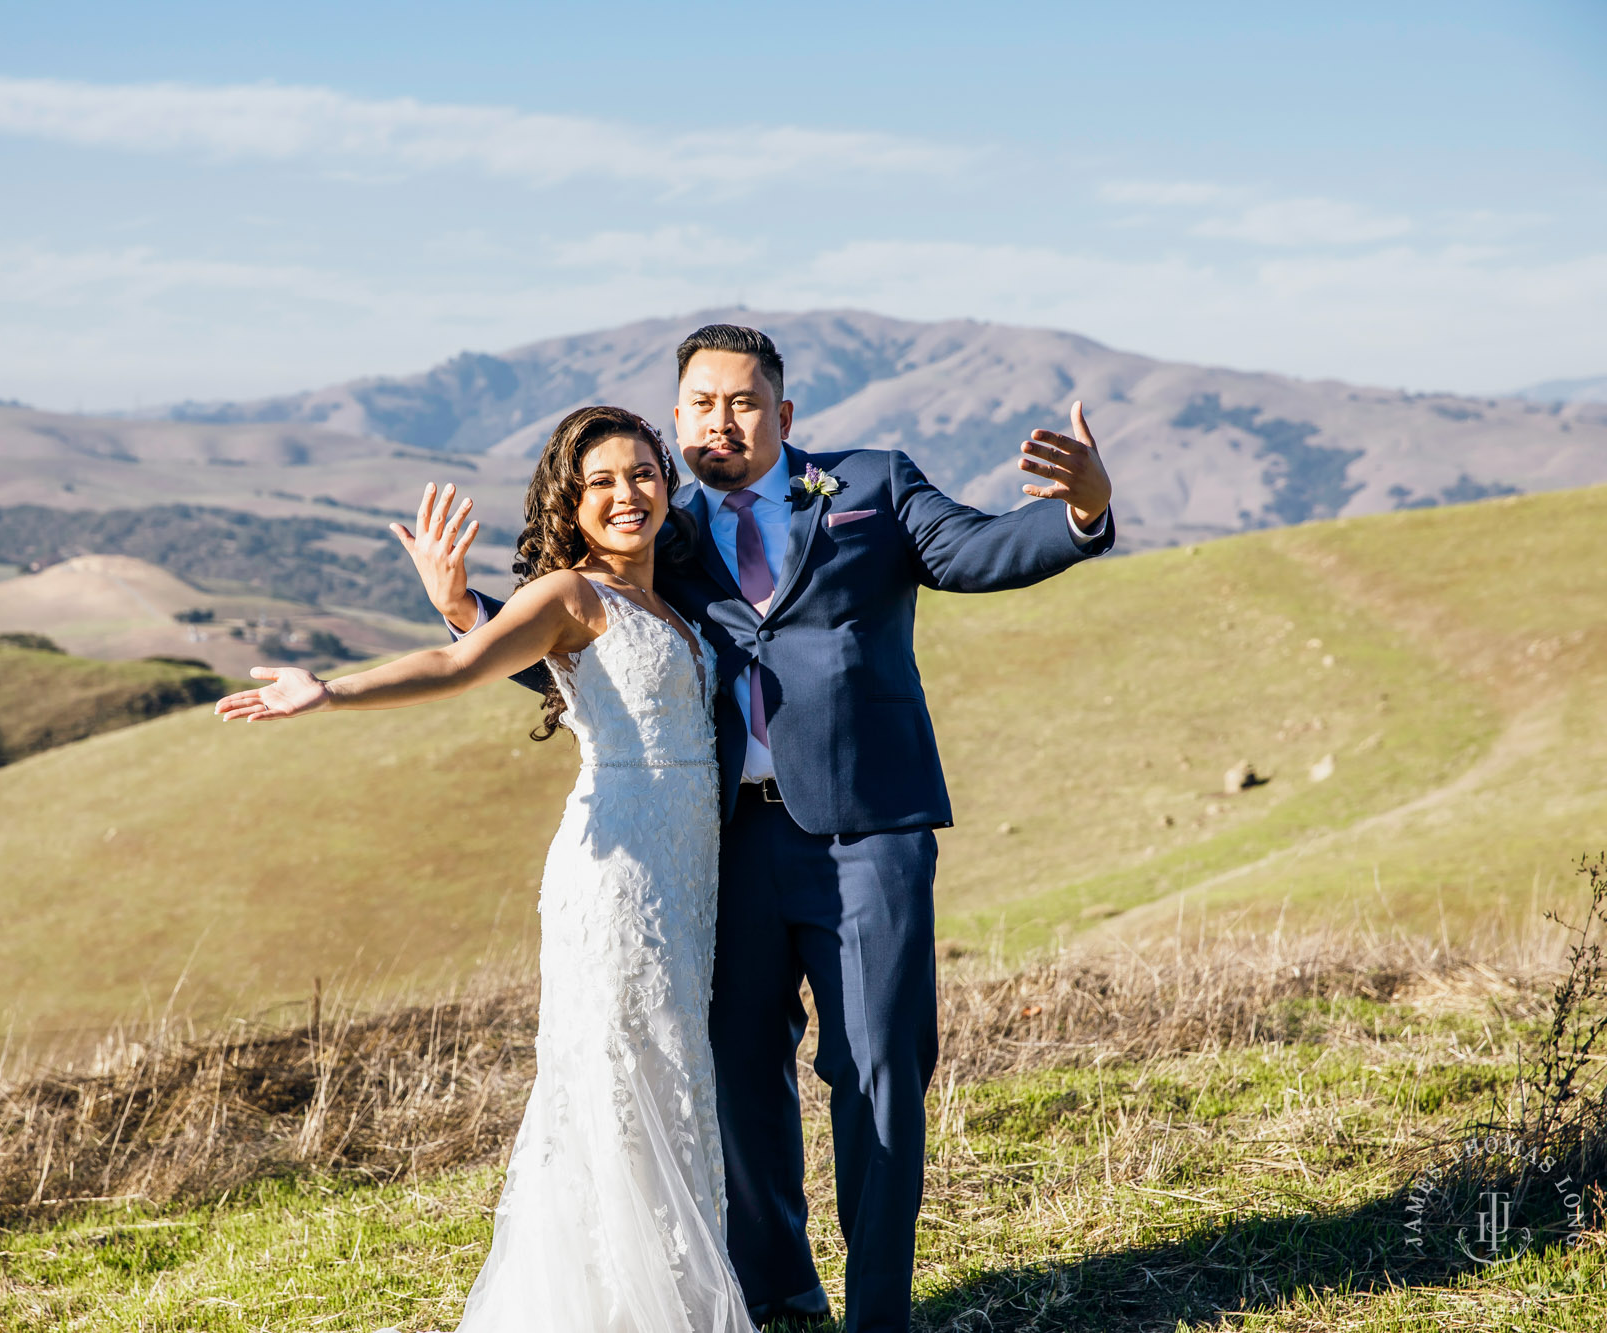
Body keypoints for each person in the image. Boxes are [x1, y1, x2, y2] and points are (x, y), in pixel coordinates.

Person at [393, 323, 1114, 1333]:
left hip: (868, 833)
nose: (719, 422)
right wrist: (463, 610)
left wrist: (1081, 510)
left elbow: (978, 549)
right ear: (676, 415)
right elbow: (588, 650)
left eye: (740, 402)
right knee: (734, 1069)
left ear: (782, 413)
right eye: (698, 404)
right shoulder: (663, 527)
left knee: (876, 1070)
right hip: (726, 842)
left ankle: (875, 1315)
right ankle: (777, 1292)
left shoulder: (872, 485)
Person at [217, 405, 757, 1332]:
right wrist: (332, 691)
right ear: (571, 503)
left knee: (665, 1077)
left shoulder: (668, 602)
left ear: (667, 483)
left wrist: (461, 598)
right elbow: (458, 664)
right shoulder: (568, 596)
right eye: (602, 483)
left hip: (686, 874)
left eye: (642, 474)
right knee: (616, 1078)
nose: (627, 494)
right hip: (618, 879)